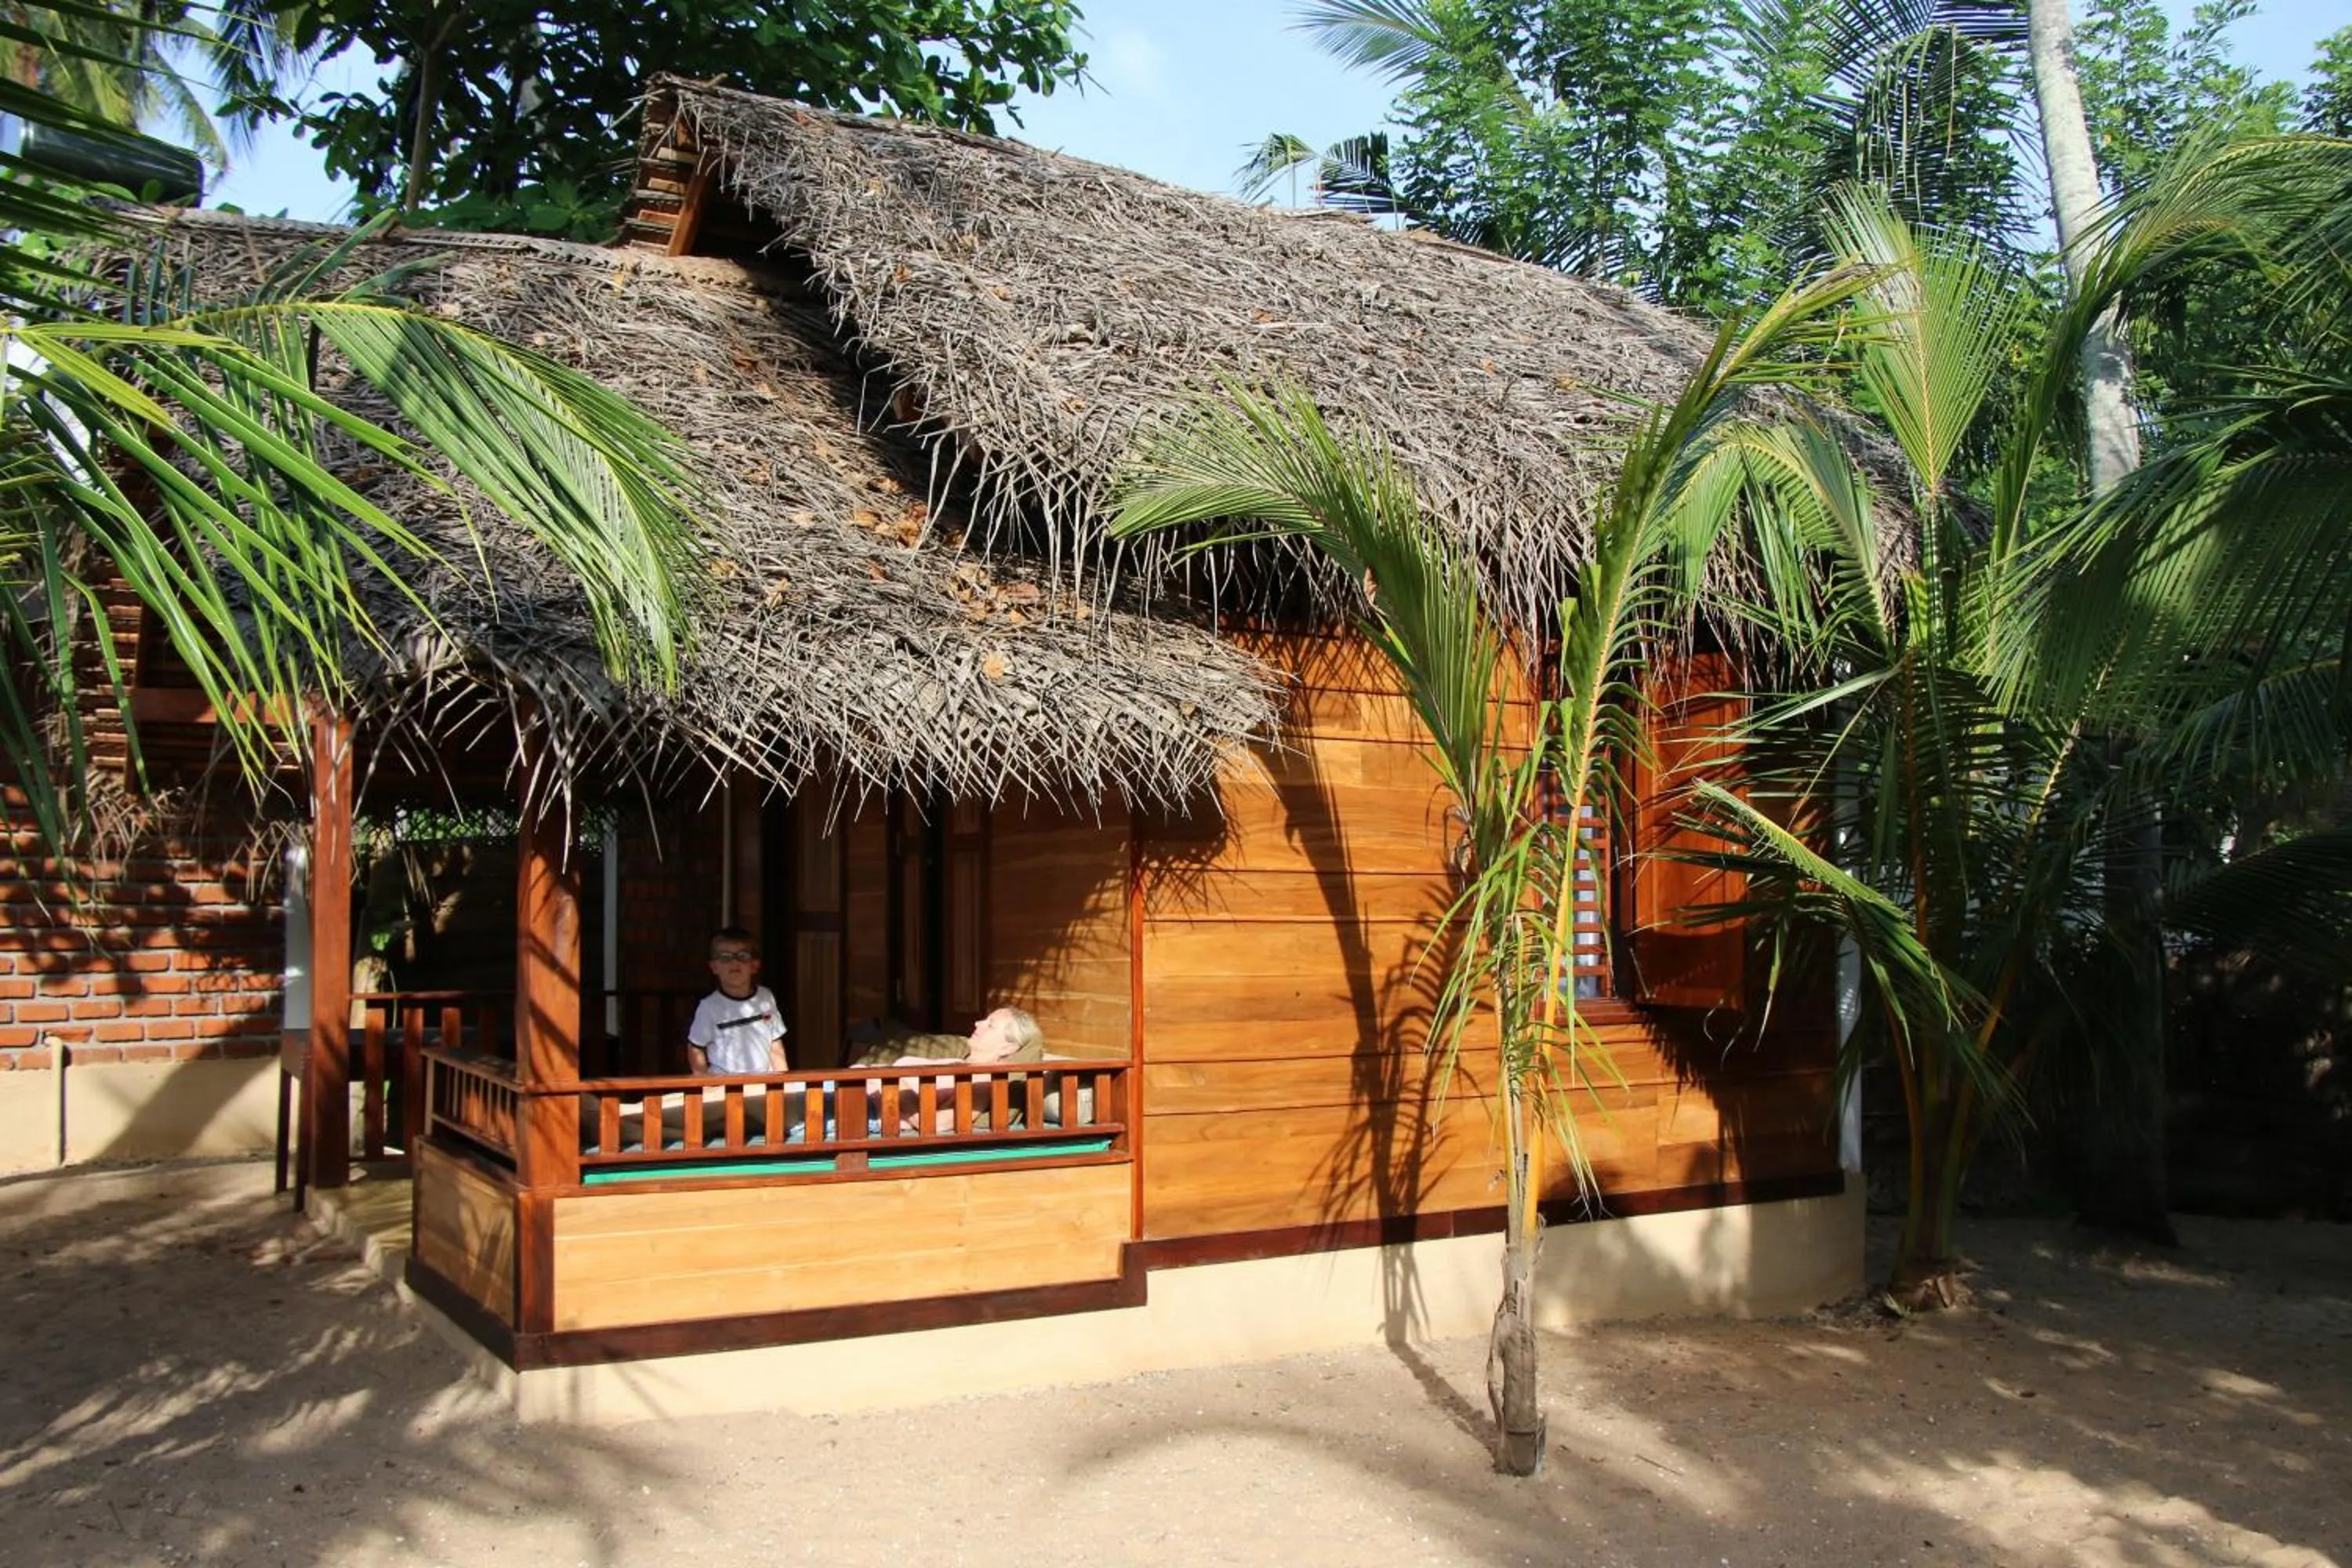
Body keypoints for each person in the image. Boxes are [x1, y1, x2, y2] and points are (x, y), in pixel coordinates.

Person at [685, 926, 789, 1076]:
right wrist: (705, 1085)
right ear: (714, 967)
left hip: (764, 1083)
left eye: (742, 956)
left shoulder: (766, 998)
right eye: (726, 958)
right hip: (725, 1087)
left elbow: (775, 1043)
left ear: (754, 965)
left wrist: (783, 1082)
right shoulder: (709, 1007)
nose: (735, 963)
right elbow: (695, 1048)